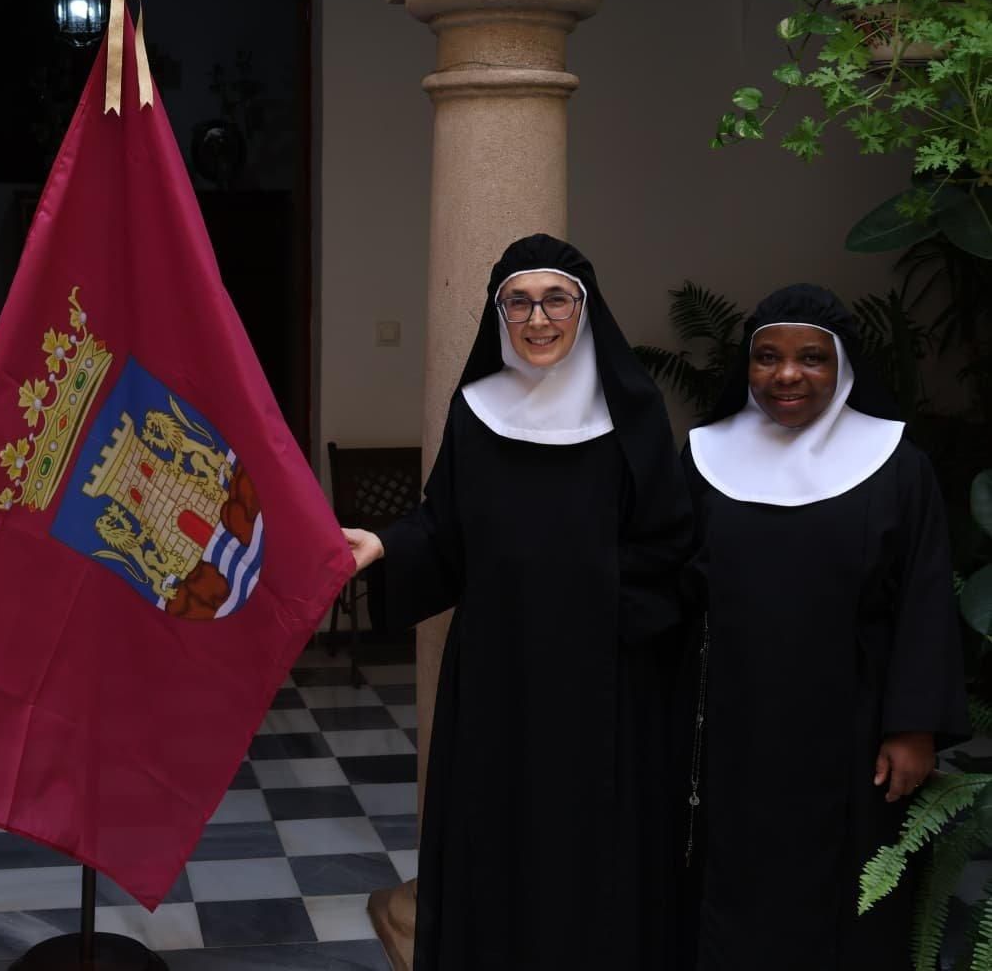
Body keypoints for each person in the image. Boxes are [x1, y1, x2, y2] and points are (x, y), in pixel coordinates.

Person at [343, 234, 693, 969]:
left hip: (606, 679)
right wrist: (385, 545)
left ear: (584, 308)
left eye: (555, 299)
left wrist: (581, 593)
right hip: (500, 674)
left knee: (596, 846)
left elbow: (669, 547)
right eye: (519, 301)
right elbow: (444, 527)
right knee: (498, 836)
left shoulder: (633, 417)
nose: (538, 319)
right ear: (498, 313)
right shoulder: (476, 411)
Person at [681, 284, 967, 970]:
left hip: (854, 731)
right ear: (746, 368)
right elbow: (667, 585)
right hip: (730, 728)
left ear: (842, 367)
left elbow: (925, 600)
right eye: (768, 357)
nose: (787, 375)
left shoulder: (898, 466)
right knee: (729, 893)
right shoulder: (700, 459)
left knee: (847, 903)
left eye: (811, 358)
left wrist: (913, 726)